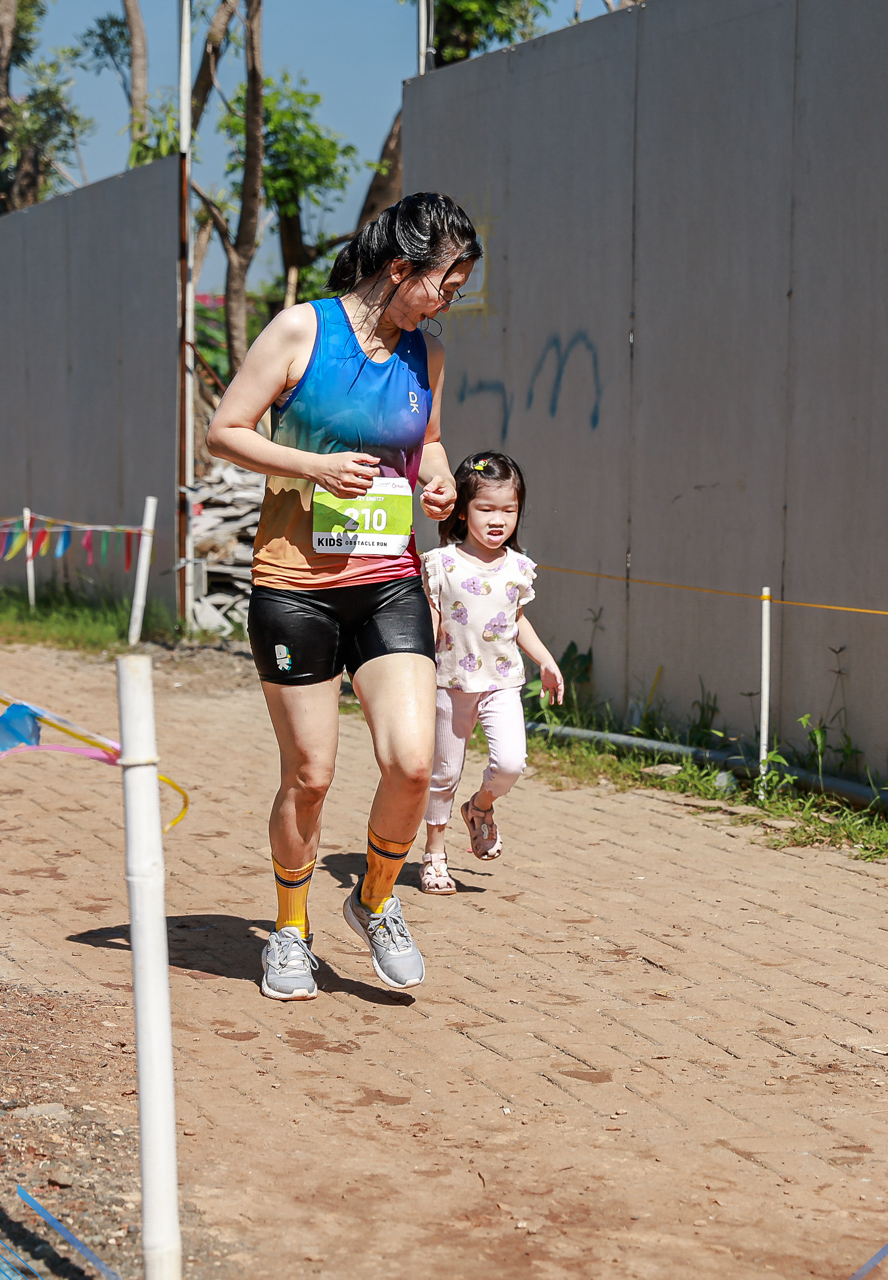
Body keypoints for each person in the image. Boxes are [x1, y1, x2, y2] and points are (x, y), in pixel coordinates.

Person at [206, 192, 478, 1000]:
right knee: (312, 774)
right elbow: (224, 431)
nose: (446, 304)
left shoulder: (427, 355)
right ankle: (290, 930)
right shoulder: (301, 330)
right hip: (295, 587)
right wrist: (314, 467)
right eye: (443, 286)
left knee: (413, 762)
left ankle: (376, 901)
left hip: (388, 581)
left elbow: (428, 444)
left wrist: (438, 484)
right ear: (399, 268)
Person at [416, 452, 563, 894]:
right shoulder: (441, 563)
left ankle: (479, 807)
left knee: (510, 764)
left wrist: (546, 661)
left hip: (502, 682)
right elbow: (430, 621)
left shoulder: (518, 567)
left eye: (509, 510)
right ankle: (434, 855)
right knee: (444, 773)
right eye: (486, 508)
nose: (498, 520)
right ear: (462, 510)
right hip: (450, 682)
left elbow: (516, 622)